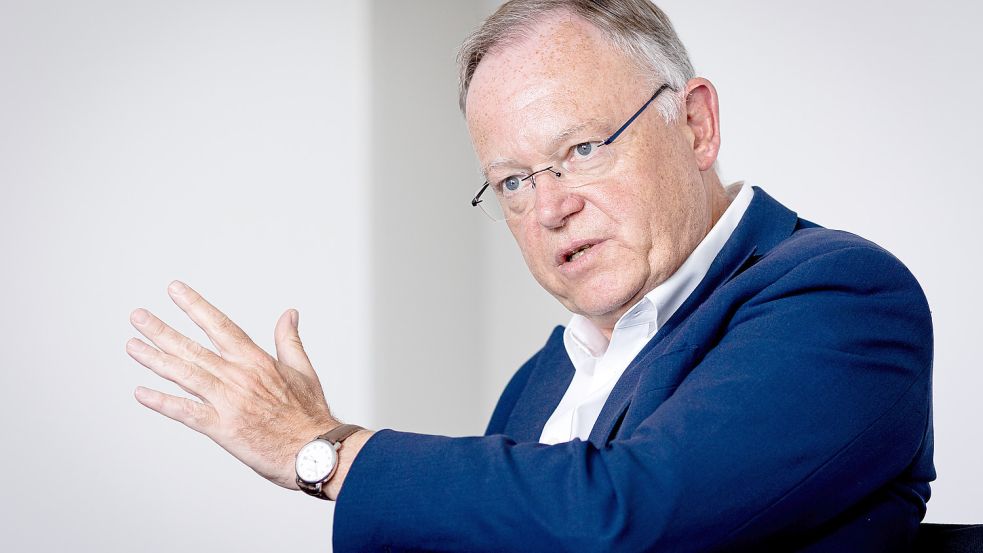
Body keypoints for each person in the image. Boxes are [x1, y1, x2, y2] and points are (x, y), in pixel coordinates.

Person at [125, 0, 934, 550]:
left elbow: (628, 518)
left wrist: (326, 451)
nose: (548, 208)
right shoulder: (538, 381)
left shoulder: (841, 296)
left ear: (694, 124)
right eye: (512, 180)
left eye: (581, 150)